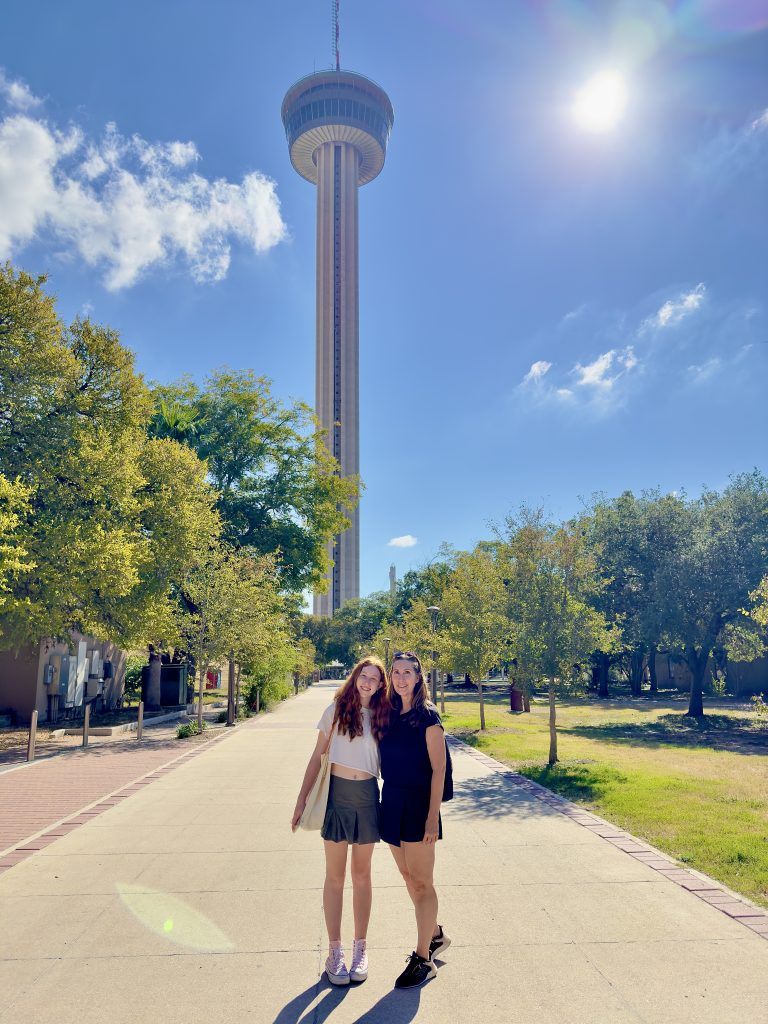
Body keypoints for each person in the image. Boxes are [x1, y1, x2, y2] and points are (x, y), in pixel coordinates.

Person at [291, 657, 390, 986]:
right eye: (364, 675)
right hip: (336, 798)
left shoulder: (382, 715)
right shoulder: (334, 711)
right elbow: (316, 757)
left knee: (362, 876)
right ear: (355, 677)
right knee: (334, 877)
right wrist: (301, 799)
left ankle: (360, 948)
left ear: (380, 685)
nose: (367, 682)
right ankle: (335, 952)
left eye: (374, 679)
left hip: (366, 799)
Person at [379, 652, 450, 989]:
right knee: (407, 875)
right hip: (391, 800)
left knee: (422, 881)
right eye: (396, 672)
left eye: (408, 672)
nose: (401, 678)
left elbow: (440, 770)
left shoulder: (428, 717)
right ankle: (434, 934)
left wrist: (432, 819)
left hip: (420, 804)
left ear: (419, 677)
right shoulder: (389, 713)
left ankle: (424, 959)